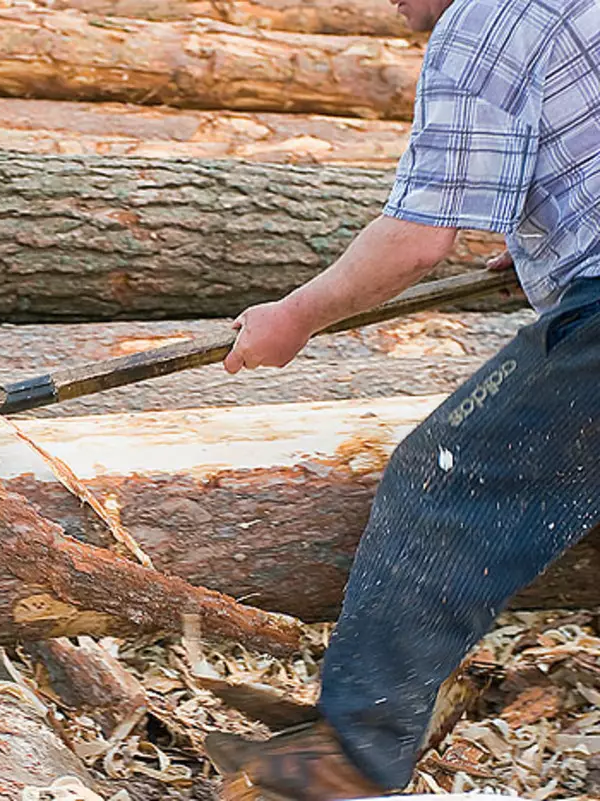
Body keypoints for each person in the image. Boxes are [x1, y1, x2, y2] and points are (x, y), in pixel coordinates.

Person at [204, 0, 600, 795]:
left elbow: (418, 237)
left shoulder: (483, 21)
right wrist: (543, 250)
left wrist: (295, 316)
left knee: (446, 476)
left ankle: (350, 753)